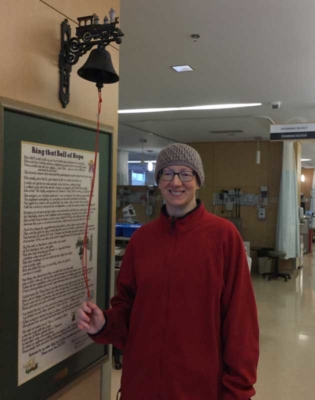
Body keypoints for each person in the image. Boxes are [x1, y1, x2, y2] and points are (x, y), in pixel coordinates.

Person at [77, 143, 259, 400]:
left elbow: (241, 322)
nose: (176, 182)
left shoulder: (223, 237)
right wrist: (104, 324)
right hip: (141, 384)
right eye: (167, 173)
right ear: (159, 181)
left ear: (198, 181)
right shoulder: (142, 240)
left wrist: (238, 391)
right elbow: (127, 310)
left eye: (185, 174)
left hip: (199, 387)